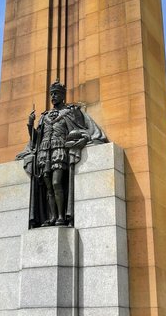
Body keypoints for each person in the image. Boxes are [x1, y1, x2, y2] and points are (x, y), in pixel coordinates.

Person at [18, 80, 107, 228]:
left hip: (59, 150)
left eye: (56, 94)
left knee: (56, 182)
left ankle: (61, 215)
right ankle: (52, 217)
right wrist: (30, 124)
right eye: (51, 94)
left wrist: (80, 138)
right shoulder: (43, 117)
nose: (53, 96)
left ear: (62, 96)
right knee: (48, 187)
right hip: (44, 152)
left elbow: (80, 128)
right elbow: (35, 140)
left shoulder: (70, 112)